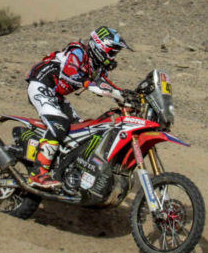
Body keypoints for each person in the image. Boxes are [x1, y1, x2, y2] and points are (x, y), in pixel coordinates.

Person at [24, 26, 132, 189]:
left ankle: (63, 170)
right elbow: (69, 73)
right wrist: (90, 85)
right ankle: (38, 174)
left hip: (56, 95)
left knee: (80, 131)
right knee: (59, 124)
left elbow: (105, 85)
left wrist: (125, 96)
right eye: (112, 52)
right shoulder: (78, 51)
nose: (113, 57)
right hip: (41, 85)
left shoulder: (97, 66)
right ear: (100, 47)